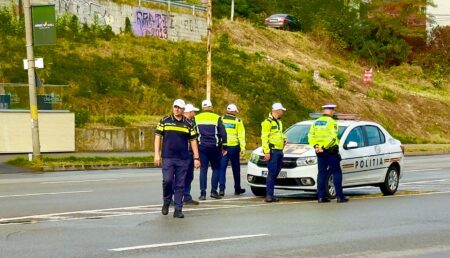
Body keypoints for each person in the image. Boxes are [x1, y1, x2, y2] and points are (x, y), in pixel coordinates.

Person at [154, 99, 201, 218]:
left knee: (180, 185)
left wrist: (196, 158)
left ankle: (178, 209)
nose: (176, 109)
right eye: (175, 107)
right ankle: (166, 201)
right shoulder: (165, 121)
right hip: (168, 157)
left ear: (183, 109)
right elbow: (158, 137)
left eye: (179, 107)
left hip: (183, 159)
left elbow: (193, 141)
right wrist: (156, 154)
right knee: (167, 181)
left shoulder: (188, 124)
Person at [308, 102, 349, 203]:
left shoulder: (316, 122)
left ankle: (321, 197)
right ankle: (340, 196)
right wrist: (324, 147)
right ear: (331, 111)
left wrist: (316, 146)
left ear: (323, 111)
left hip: (319, 152)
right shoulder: (332, 122)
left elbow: (310, 136)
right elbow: (332, 137)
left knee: (321, 173)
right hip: (330, 151)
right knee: (336, 172)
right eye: (333, 110)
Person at [195, 99, 227, 200]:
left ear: (202, 107)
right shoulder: (217, 117)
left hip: (202, 147)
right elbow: (223, 133)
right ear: (211, 107)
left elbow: (193, 133)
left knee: (203, 169)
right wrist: (224, 146)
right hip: (214, 147)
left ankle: (203, 193)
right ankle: (213, 191)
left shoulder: (196, 118)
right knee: (216, 168)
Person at [261, 103, 287, 203]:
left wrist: (284, 138)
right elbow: (264, 137)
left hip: (279, 150)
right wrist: (266, 152)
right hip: (272, 151)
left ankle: (270, 193)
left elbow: (279, 133)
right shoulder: (267, 122)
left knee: (276, 171)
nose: (282, 112)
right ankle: (269, 195)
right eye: (281, 110)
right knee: (272, 173)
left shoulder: (278, 122)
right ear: (277, 111)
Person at [218, 103, 246, 196]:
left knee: (222, 168)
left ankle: (221, 189)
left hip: (223, 147)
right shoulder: (238, 121)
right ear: (234, 111)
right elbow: (241, 136)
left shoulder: (221, 119)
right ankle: (237, 188)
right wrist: (243, 148)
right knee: (236, 169)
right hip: (234, 147)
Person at [182, 103, 200, 205]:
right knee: (184, 176)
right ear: (189, 112)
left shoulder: (189, 122)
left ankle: (186, 196)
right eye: (193, 111)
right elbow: (194, 140)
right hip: (186, 153)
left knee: (188, 176)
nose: (195, 113)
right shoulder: (190, 123)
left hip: (186, 153)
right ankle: (183, 196)